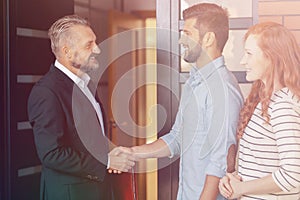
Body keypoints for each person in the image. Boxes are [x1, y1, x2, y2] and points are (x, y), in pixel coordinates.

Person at [115, 3, 243, 199]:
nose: (182, 39)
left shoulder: (222, 89)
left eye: (188, 33)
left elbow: (220, 161)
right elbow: (177, 138)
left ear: (208, 38)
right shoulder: (194, 82)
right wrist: (133, 152)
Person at [27, 15, 135, 200]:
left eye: (95, 42)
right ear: (67, 51)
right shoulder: (46, 92)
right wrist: (107, 161)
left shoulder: (86, 83)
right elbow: (52, 154)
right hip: (71, 194)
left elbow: (90, 135)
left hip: (97, 189)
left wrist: (114, 151)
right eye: (89, 44)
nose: (98, 49)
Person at [219, 22, 300, 199]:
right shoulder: (266, 99)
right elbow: (260, 164)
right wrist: (234, 180)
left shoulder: (282, 105)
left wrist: (241, 188)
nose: (242, 61)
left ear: (272, 57)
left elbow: (293, 175)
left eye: (249, 54)